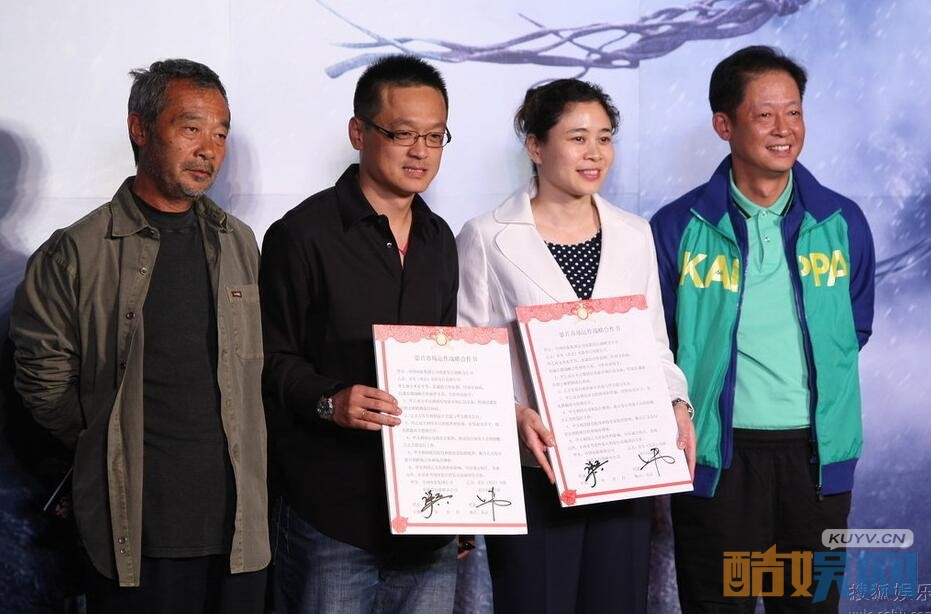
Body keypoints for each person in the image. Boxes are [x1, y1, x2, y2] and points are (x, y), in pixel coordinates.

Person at [9, 59, 270, 612]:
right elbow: (45, 386)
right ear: (140, 128)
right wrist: (110, 445)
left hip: (238, 535)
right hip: (132, 534)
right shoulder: (75, 252)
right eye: (191, 128)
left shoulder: (239, 243)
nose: (208, 150)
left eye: (220, 134)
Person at [456, 78, 696, 614]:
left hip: (625, 466)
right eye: (578, 138)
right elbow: (471, 360)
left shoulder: (634, 233)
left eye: (605, 138)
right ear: (536, 147)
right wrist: (514, 413)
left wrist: (678, 403)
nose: (595, 153)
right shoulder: (485, 236)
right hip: (535, 471)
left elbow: (654, 347)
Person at [650, 46, 876, 613]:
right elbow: (658, 344)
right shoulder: (678, 226)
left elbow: (854, 329)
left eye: (794, 112)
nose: (784, 129)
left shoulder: (841, 221)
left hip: (815, 462)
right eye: (765, 114)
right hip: (717, 460)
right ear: (724, 125)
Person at [260, 55, 460, 614]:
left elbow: (447, 366)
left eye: (435, 136)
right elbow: (268, 358)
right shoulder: (301, 234)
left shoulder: (441, 240)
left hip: (428, 515)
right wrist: (331, 400)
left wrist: (465, 500)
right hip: (332, 512)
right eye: (403, 134)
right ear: (359, 132)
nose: (420, 151)